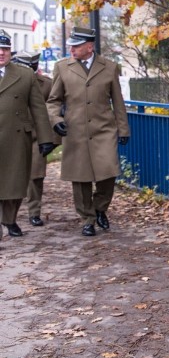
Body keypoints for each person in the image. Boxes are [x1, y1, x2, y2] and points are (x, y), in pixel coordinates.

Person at [46, 26, 131, 237]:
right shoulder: (62, 68)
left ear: (89, 47)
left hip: (104, 130)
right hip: (75, 131)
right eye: (71, 45)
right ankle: (88, 219)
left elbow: (118, 102)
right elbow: (53, 101)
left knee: (108, 173)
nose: (71, 49)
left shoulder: (109, 67)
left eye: (76, 46)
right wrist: (56, 120)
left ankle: (100, 207)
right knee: (81, 178)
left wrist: (123, 129)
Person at [0, 31, 55, 240]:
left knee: (14, 186)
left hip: (16, 138)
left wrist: (45, 138)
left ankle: (9, 219)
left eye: (5, 49)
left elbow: (38, 109)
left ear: (10, 51)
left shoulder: (24, 75)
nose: (1, 53)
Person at [13, 51, 61, 227]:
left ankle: (34, 212)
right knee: (11, 176)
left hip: (35, 138)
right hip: (12, 137)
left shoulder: (47, 85)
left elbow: (53, 111)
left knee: (35, 177)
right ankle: (10, 214)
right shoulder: (8, 81)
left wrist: (51, 140)